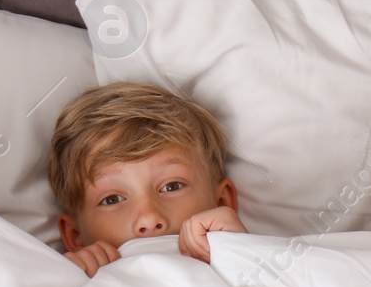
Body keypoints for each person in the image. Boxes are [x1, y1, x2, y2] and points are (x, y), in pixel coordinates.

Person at [48, 82, 246, 276]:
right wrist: (64, 283)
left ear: (222, 203)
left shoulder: (241, 261)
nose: (149, 219)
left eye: (172, 186)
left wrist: (242, 251)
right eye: (112, 200)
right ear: (76, 236)